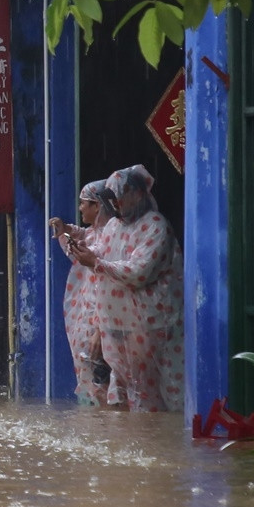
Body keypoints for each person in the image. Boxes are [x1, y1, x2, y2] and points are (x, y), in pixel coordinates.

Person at [68, 165, 185, 412]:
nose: (115, 204)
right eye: (110, 199)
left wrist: (96, 263)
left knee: (151, 392)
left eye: (118, 197)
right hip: (116, 325)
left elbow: (138, 272)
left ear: (137, 194)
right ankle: (130, 440)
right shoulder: (114, 226)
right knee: (124, 391)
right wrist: (84, 253)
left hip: (150, 324)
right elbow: (101, 251)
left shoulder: (156, 226)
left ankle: (155, 442)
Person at [51, 180, 119, 405]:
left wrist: (100, 330)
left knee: (106, 386)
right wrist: (67, 229)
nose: (80, 208)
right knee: (93, 385)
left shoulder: (112, 236)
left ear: (97, 206)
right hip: (90, 322)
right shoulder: (96, 232)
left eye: (83, 204)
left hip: (101, 324)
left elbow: (93, 257)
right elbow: (85, 238)